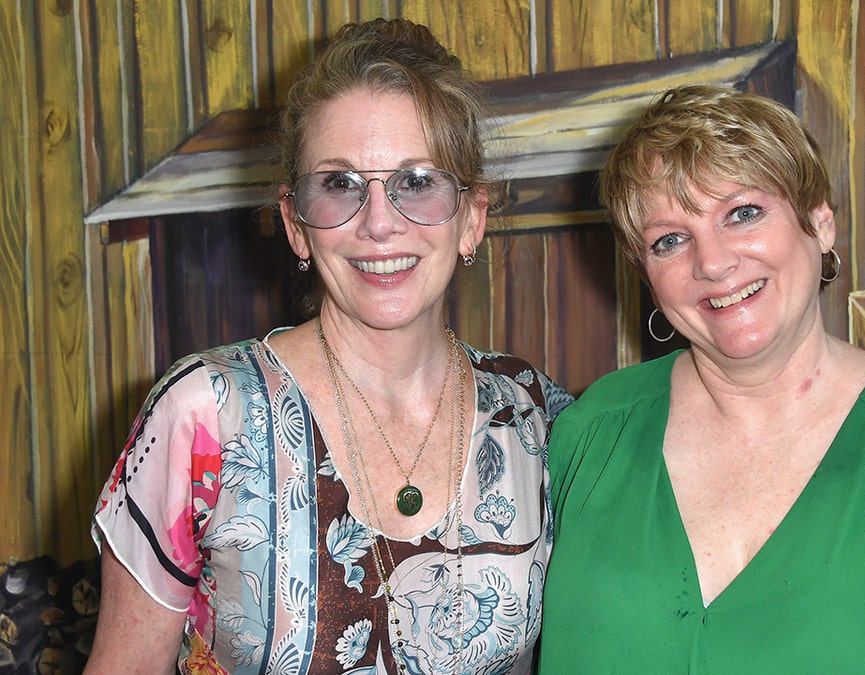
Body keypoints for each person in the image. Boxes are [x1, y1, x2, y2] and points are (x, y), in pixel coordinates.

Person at [86, 18, 571, 674]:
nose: (379, 223)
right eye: (340, 184)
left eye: (417, 180)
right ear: (296, 224)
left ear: (472, 217)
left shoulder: (536, 416)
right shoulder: (206, 413)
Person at [539, 85, 865, 673]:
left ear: (820, 222)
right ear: (648, 276)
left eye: (742, 213)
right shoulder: (590, 435)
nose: (712, 262)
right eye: (670, 240)